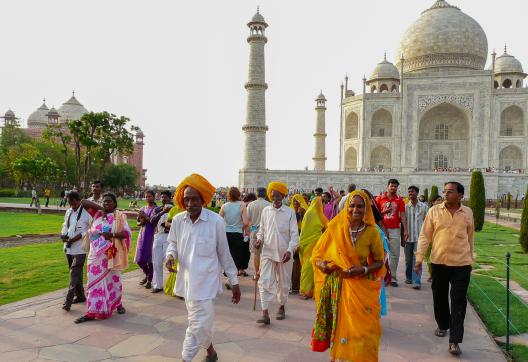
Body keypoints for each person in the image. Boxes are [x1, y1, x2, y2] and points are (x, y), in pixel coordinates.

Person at [165, 173, 241, 362]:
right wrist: (170, 256)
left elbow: (224, 253)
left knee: (196, 324)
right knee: (200, 323)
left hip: (206, 282)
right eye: (187, 199)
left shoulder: (215, 221)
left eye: (195, 199)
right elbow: (172, 243)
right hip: (187, 281)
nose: (190, 203)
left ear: (204, 199)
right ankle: (211, 353)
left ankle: (185, 358)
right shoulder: (178, 220)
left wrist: (234, 281)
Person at [311, 190, 385, 361]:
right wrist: (323, 265)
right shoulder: (335, 228)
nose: (355, 210)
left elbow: (379, 261)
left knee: (363, 330)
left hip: (360, 287)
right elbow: (317, 255)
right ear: (346, 207)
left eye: (360, 206)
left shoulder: (372, 232)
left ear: (367, 209)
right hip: (337, 285)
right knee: (339, 327)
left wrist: (363, 270)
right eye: (352, 205)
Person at [415, 182, 474, 356]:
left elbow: (470, 237)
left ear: (460, 195)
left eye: (450, 192)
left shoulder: (467, 213)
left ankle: (454, 340)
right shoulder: (434, 211)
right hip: (439, 262)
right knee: (439, 297)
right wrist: (419, 259)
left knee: (458, 301)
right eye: (445, 191)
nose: (446, 194)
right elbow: (425, 236)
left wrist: (471, 258)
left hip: (461, 264)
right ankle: (442, 325)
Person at [75, 192, 131, 323]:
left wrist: (111, 234)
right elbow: (83, 202)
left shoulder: (120, 217)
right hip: (95, 255)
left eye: (109, 201)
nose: (107, 203)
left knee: (113, 281)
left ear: (115, 204)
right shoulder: (96, 214)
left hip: (111, 255)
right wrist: (100, 209)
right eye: (104, 201)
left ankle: (117, 304)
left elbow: (125, 234)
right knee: (92, 282)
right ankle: (92, 311)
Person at [255, 182, 299, 324]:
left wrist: (289, 250)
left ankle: (281, 306)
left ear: (283, 196)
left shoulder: (289, 212)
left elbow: (294, 235)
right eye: (273, 196)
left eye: (279, 196)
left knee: (284, 283)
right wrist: (259, 239)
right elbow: (262, 230)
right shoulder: (266, 211)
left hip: (285, 254)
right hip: (268, 251)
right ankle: (265, 312)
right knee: (263, 281)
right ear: (270, 196)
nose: (276, 199)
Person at [60, 191, 90, 311]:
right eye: (70, 203)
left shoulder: (86, 213)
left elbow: (90, 229)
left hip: (80, 248)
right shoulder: (68, 211)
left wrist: (77, 237)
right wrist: (63, 235)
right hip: (68, 247)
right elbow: (65, 226)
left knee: (74, 273)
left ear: (79, 200)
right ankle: (81, 296)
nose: (73, 205)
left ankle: (68, 301)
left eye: (74, 203)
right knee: (76, 273)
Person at [375, 178, 408, 287]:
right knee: (381, 253)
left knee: (394, 254)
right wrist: (384, 211)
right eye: (391, 186)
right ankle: (382, 276)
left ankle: (393, 277)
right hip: (381, 229)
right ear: (387, 186)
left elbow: (402, 215)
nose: (393, 188)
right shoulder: (380, 199)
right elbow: (375, 214)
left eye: (395, 186)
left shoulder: (399, 200)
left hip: (394, 229)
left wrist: (405, 230)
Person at [298, 196, 328, 299]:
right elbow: (327, 227)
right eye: (322, 203)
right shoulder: (314, 214)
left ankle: (308, 291)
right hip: (311, 244)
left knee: (310, 268)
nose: (323, 205)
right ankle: (304, 291)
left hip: (310, 244)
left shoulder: (310, 213)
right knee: (308, 267)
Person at [219, 187, 250, 277]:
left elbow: (219, 220)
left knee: (227, 254)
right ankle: (231, 278)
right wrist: (242, 227)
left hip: (226, 233)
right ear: (238, 195)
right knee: (236, 256)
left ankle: (226, 271)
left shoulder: (224, 206)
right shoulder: (242, 205)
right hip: (237, 233)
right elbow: (246, 222)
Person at [404, 185, 428, 290]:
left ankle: (416, 281)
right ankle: (409, 277)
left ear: (417, 193)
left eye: (412, 192)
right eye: (409, 192)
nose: (410, 193)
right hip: (408, 238)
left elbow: (428, 222)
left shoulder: (424, 207)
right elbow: (403, 222)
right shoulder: (405, 207)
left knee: (417, 260)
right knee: (408, 260)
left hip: (419, 238)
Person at [150, 190, 173, 293]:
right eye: (162, 197)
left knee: (170, 261)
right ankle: (158, 285)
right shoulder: (158, 209)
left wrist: (167, 224)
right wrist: (163, 211)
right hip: (158, 236)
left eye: (165, 197)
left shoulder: (175, 209)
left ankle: (174, 286)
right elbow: (152, 221)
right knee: (156, 261)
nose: (163, 199)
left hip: (169, 237)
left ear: (170, 198)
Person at [247, 187, 271, 280]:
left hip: (254, 230)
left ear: (256, 194)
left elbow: (248, 220)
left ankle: (256, 274)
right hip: (266, 231)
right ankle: (262, 272)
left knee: (256, 254)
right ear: (265, 195)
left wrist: (250, 230)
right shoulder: (269, 205)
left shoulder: (251, 205)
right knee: (265, 254)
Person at [135, 190, 157, 289]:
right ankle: (148, 275)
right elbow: (138, 223)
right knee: (140, 259)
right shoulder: (142, 208)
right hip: (142, 234)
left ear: (153, 197)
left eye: (150, 196)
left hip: (151, 235)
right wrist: (142, 219)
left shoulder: (156, 209)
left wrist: (145, 216)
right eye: (146, 196)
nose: (148, 198)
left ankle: (149, 280)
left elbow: (153, 223)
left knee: (149, 259)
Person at [289, 194, 309, 294]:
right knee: (292, 264)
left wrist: (302, 214)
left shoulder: (305, 212)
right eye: (294, 201)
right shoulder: (290, 211)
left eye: (298, 201)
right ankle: (292, 285)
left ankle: (298, 286)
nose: (296, 203)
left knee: (299, 264)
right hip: (292, 239)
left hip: (302, 238)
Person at [425, 195, 444, 282]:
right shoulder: (429, 211)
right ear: (433, 202)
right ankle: (431, 274)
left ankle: (437, 274)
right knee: (429, 258)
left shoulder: (444, 211)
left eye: (441, 200)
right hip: (429, 238)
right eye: (438, 200)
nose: (440, 202)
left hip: (440, 238)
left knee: (439, 257)